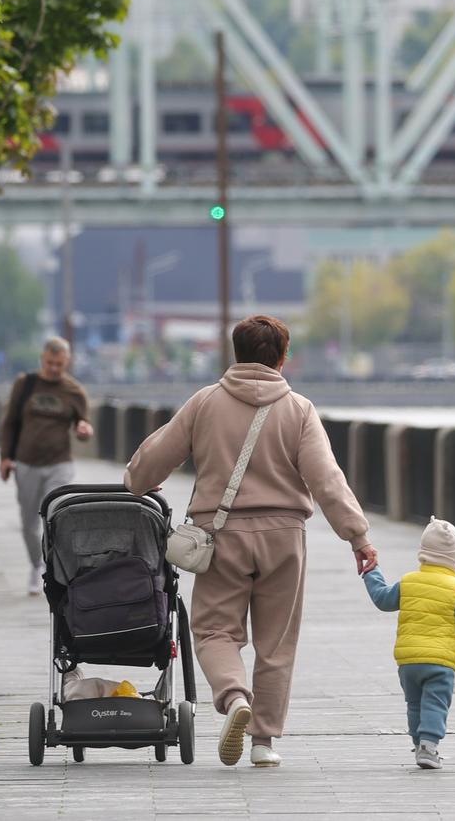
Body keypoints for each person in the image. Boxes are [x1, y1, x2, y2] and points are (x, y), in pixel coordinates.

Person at [123, 315, 378, 768]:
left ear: (234, 352)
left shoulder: (205, 403)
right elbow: (327, 480)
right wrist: (357, 535)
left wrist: (138, 481)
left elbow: (156, 455)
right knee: (276, 642)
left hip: (220, 536)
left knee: (215, 630)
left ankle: (234, 696)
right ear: (283, 357)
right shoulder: (299, 409)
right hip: (284, 537)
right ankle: (263, 742)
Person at [362, 517, 455, 770]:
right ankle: (429, 747)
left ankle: (419, 743)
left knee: (415, 703)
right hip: (440, 662)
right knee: (436, 702)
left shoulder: (408, 582)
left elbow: (382, 599)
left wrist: (371, 571)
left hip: (408, 661)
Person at [0, 337, 93, 596]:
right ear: (42, 359)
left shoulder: (74, 391)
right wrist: (5, 457)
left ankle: (54, 569)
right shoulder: (25, 384)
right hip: (26, 461)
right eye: (50, 363)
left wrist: (84, 430)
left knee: (56, 516)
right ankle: (35, 564)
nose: (53, 369)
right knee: (29, 522)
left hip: (59, 463)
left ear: (67, 362)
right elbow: (10, 422)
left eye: (59, 364)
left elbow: (82, 424)